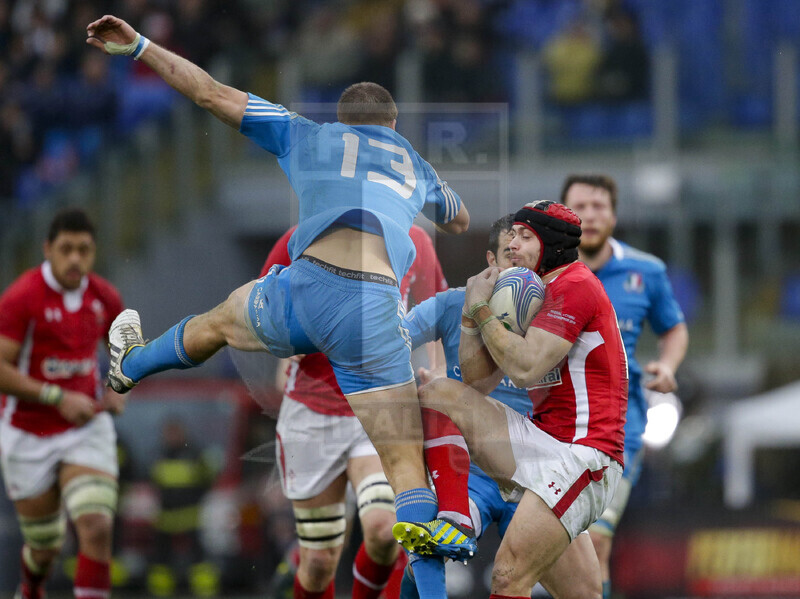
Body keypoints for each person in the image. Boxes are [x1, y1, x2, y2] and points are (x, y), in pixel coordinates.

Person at [85, 15, 470, 599]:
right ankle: (428, 556)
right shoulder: (412, 164)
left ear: (343, 123)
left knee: (218, 321)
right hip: (370, 315)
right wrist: (417, 175)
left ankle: (130, 366)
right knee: (409, 493)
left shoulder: (306, 134)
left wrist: (138, 45)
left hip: (304, 291)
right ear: (392, 126)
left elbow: (209, 92)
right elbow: (458, 217)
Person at [393, 200, 627, 598]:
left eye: (525, 235)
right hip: (542, 443)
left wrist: (483, 310)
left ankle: (457, 521)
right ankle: (455, 518)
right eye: (511, 235)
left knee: (506, 577)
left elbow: (525, 368)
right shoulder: (526, 291)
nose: (513, 243)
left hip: (584, 454)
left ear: (551, 243)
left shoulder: (575, 284)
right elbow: (476, 384)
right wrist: (471, 317)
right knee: (437, 393)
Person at [263, 224, 447, 599]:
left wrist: (440, 374)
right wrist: (281, 338)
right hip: (312, 413)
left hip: (380, 407)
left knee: (384, 531)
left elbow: (438, 311)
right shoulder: (302, 234)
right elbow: (260, 305)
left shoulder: (415, 239)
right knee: (317, 564)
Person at [561, 174, 688, 599]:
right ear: (564, 215)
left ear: (614, 215)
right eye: (581, 206)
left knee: (595, 540)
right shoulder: (540, 272)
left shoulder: (645, 271)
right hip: (551, 427)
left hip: (620, 428)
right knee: (551, 550)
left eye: (600, 207)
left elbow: (674, 328)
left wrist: (668, 366)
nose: (591, 216)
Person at [0, 208, 126, 599]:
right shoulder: (22, 297)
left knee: (96, 527)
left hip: (84, 429)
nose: (75, 259)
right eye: (66, 249)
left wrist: (120, 387)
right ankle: (31, 587)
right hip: (27, 431)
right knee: (45, 549)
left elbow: (126, 350)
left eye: (84, 250)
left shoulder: (104, 296)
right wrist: (56, 396)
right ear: (48, 249)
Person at [147, 418, 219, 597]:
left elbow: (208, 481)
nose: (171, 437)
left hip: (190, 517)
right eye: (168, 433)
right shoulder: (159, 454)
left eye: (175, 432)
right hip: (166, 519)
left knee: (198, 559)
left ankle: (204, 591)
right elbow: (152, 483)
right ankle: (160, 591)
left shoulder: (196, 454)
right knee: (162, 560)